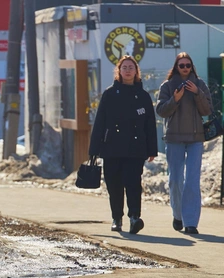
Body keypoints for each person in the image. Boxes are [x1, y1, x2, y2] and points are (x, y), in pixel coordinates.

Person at [88, 56, 158, 234]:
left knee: (133, 183)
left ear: (136, 72)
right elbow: (100, 123)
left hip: (136, 148)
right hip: (112, 147)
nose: (127, 70)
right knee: (114, 184)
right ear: (119, 71)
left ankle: (134, 217)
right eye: (124, 67)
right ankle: (116, 217)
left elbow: (150, 124)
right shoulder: (110, 94)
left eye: (131, 68)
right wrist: (94, 149)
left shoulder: (143, 96)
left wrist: (152, 149)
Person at [156, 52, 212, 235]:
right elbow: (162, 111)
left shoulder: (200, 85)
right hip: (174, 138)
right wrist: (176, 99)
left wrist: (197, 93)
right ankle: (177, 214)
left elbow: (207, 110)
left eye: (188, 65)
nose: (185, 68)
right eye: (182, 65)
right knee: (175, 180)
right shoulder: (167, 86)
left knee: (192, 181)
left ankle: (191, 223)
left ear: (192, 67)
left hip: (195, 139)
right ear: (176, 67)